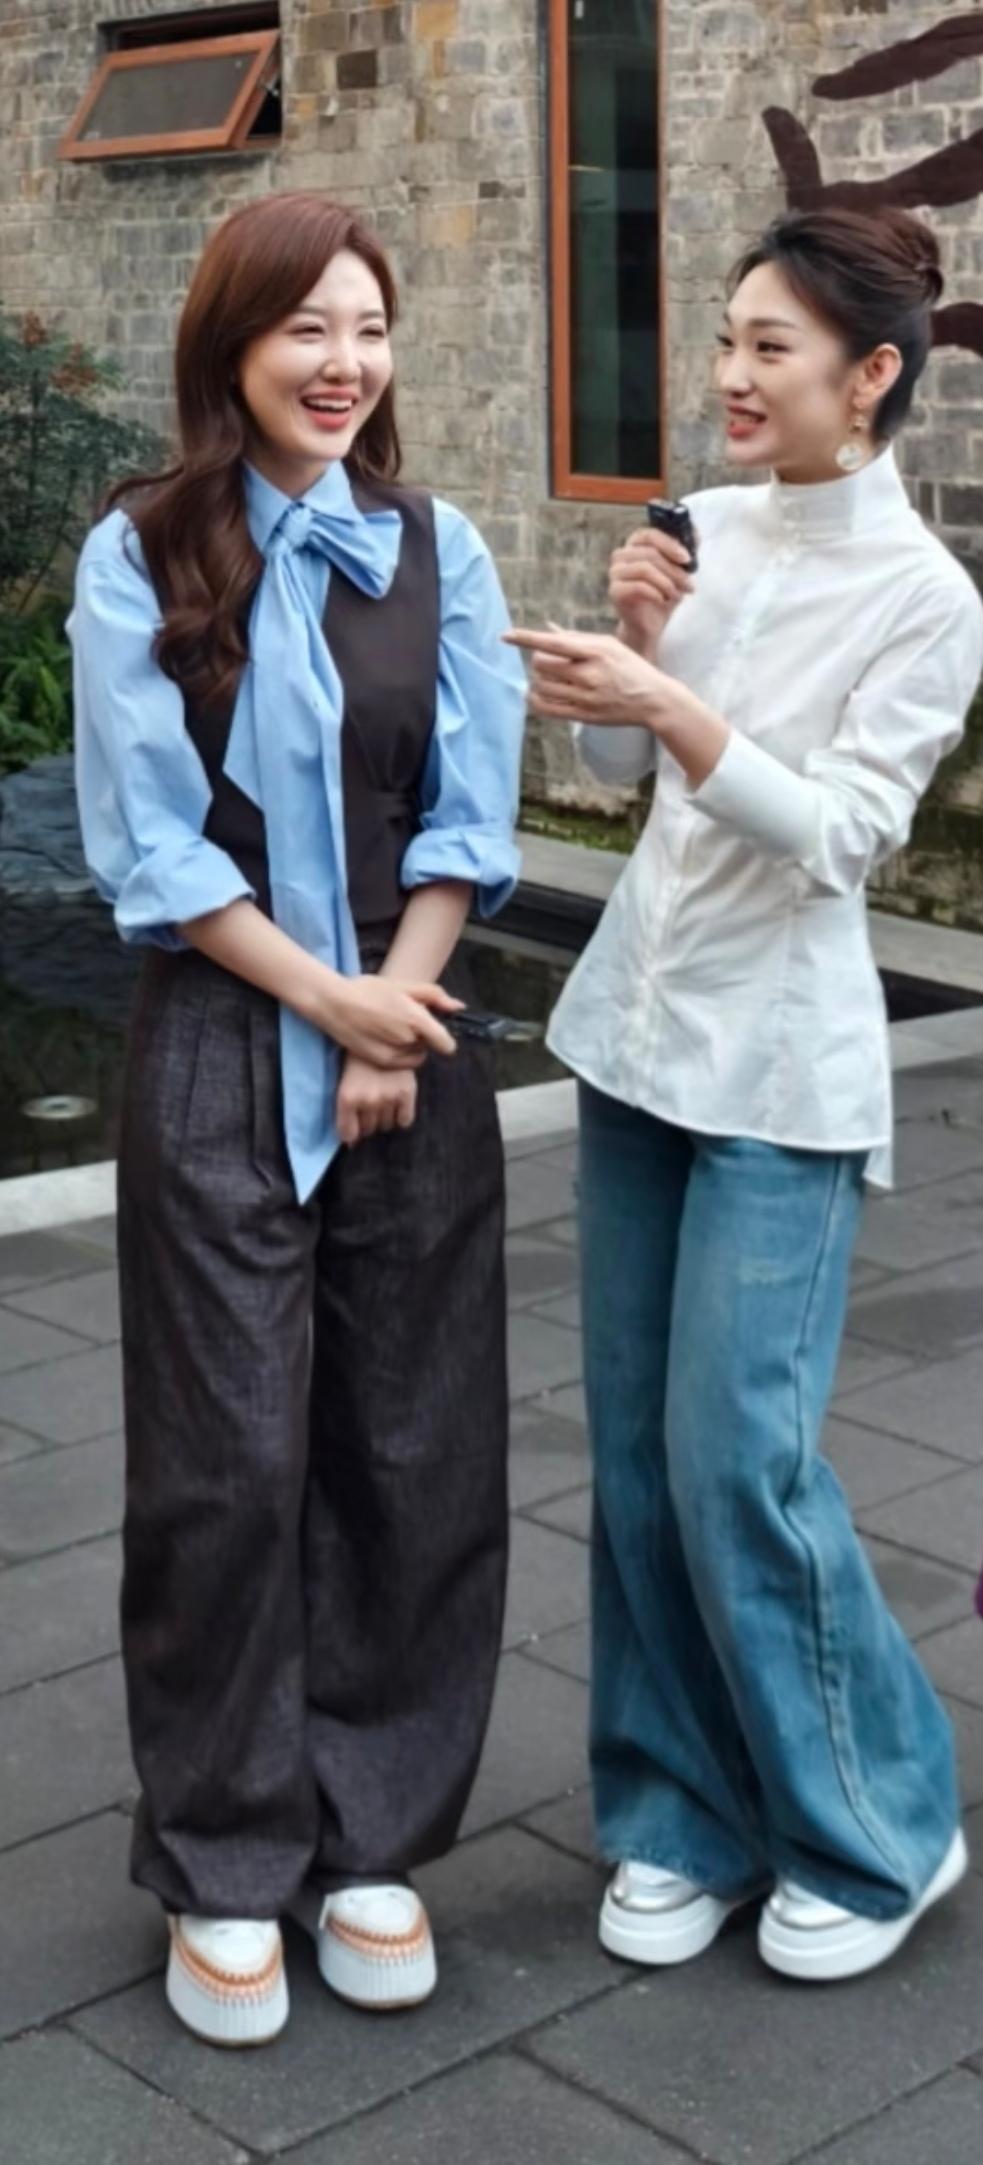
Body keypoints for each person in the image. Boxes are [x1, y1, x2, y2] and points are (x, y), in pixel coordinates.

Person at [506, 206, 983, 1984]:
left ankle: (882, 1826)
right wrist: (627, 665)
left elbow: (843, 837)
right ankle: (675, 1814)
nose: (728, 373)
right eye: (725, 337)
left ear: (871, 378)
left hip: (783, 1070)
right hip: (639, 1033)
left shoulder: (928, 600)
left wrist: (672, 704)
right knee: (637, 1459)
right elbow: (620, 770)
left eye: (770, 346)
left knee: (738, 1463)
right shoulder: (702, 529)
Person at [70, 192, 526, 2046]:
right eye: (306, 329)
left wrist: (394, 1007)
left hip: (410, 1031)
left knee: (417, 1447)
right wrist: (326, 1001)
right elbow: (151, 836)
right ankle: (226, 1850)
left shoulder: (439, 546)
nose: (344, 364)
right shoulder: (142, 550)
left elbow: (472, 809)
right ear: (232, 345)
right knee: (223, 1463)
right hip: (222, 1032)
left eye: (370, 328)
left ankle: (374, 1834)